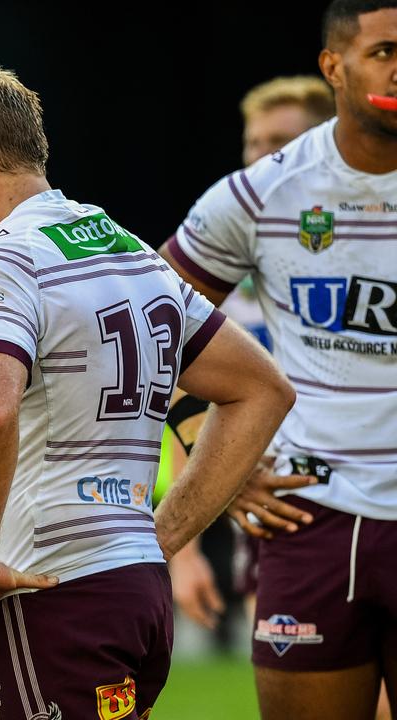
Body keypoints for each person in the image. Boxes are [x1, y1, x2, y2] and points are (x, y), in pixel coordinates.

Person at [0, 60, 295, 719]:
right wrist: (155, 541)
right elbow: (263, 390)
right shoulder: (128, 249)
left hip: (50, 591)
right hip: (135, 590)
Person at [160, 1, 397, 717]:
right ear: (335, 66)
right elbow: (149, 326)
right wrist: (218, 466)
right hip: (310, 518)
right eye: (385, 51)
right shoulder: (264, 193)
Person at [168, 72, 333, 638]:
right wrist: (182, 548)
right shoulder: (220, 269)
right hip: (276, 508)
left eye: (279, 144)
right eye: (254, 144)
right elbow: (170, 372)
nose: (263, 159)